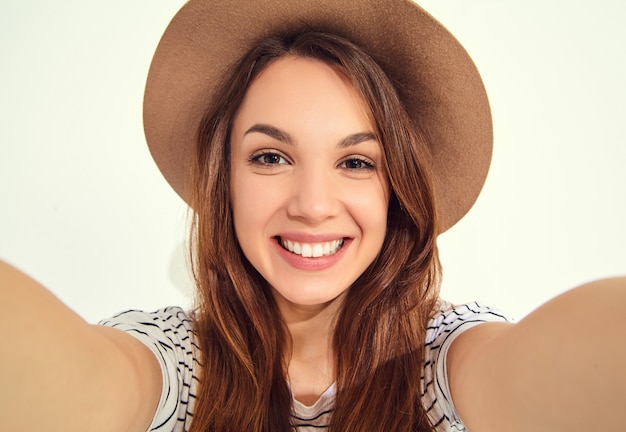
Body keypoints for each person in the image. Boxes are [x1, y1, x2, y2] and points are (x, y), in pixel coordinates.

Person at [1, 1, 624, 431]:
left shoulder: (443, 361)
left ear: (395, 191)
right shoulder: (176, 362)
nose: (313, 204)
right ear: (227, 183)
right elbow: (82, 386)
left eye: (356, 163)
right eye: (271, 156)